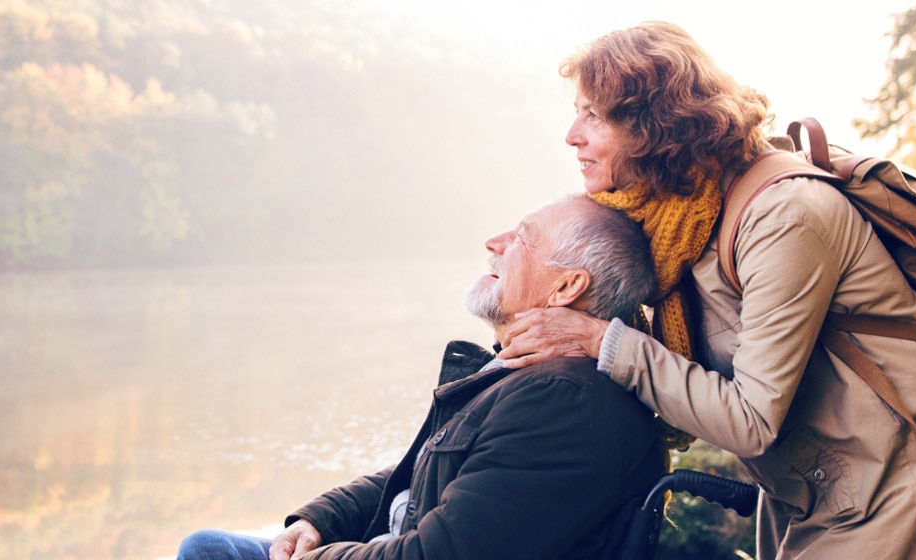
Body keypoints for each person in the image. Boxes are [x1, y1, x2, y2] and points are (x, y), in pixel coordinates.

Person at [496, 22, 916, 558]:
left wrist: (603, 342)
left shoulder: (782, 215)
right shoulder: (677, 217)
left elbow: (752, 420)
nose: (571, 134)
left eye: (593, 115)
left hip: (897, 478)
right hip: (813, 484)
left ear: (654, 125)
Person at [176, 195, 669, 560]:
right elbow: (419, 470)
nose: (493, 243)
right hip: (388, 541)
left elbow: (442, 555)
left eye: (521, 238)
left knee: (206, 553)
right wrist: (320, 519)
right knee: (210, 547)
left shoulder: (561, 400)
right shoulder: (525, 371)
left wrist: (318, 558)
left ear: (566, 287)